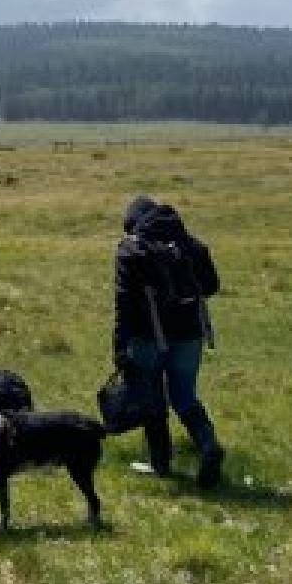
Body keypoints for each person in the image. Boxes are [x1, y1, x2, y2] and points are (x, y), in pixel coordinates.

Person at [113, 195, 225, 487]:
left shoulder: (131, 250)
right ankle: (208, 445)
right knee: (185, 395)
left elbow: (123, 303)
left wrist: (119, 347)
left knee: (151, 400)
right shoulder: (192, 245)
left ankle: (161, 464)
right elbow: (212, 286)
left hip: (147, 336)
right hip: (190, 335)